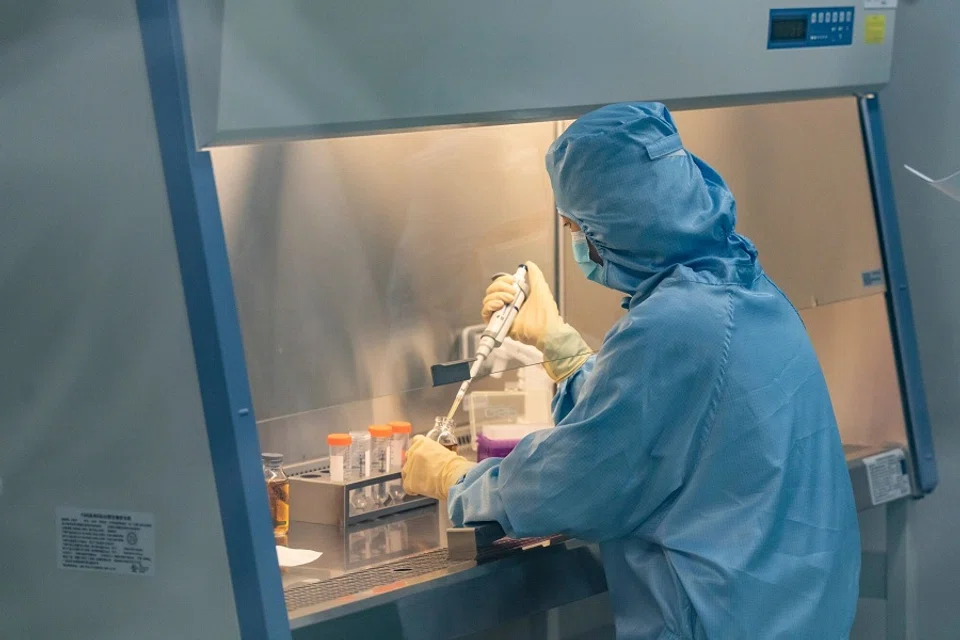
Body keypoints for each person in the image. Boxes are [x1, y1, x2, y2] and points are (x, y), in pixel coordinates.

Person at [403, 102, 860, 639]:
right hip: (790, 612)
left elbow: (578, 482)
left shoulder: (675, 323)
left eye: (574, 226)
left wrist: (458, 482)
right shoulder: (743, 285)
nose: (576, 240)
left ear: (614, 227)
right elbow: (658, 426)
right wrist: (562, 349)